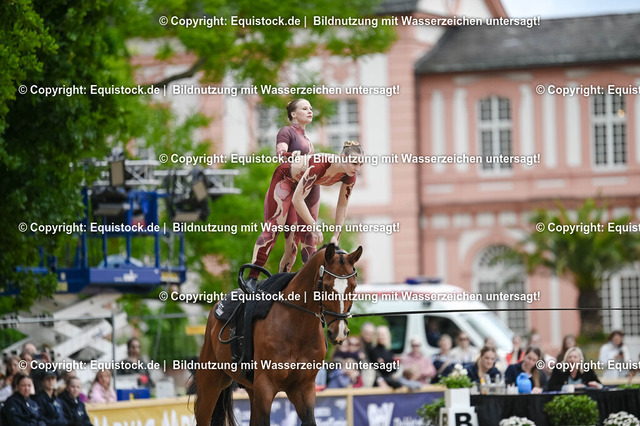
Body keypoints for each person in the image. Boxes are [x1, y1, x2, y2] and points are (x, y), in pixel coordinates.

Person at [247, 141, 364, 289]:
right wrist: (315, 227)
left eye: (361, 164)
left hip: (307, 186)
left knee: (298, 243)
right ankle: (252, 277)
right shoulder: (320, 165)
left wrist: (336, 236)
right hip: (286, 178)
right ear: (342, 157)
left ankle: (282, 285)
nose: (357, 168)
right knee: (274, 228)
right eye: (354, 163)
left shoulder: (350, 176)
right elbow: (297, 199)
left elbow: (342, 205)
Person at [274, 99, 319, 273]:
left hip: (304, 192)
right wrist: (291, 154)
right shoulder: (287, 131)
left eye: (311, 108)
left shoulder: (307, 140)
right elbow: (280, 154)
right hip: (289, 191)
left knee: (308, 237)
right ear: (293, 114)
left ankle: (312, 278)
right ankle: (277, 281)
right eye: (305, 108)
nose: (310, 111)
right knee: (291, 246)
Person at [369, 326, 422, 390]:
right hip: (381, 381)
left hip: (391, 378)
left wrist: (385, 364)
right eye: (379, 334)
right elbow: (377, 368)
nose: (381, 336)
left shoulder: (388, 351)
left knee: (408, 384)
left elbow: (394, 368)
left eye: (383, 334)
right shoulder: (373, 350)